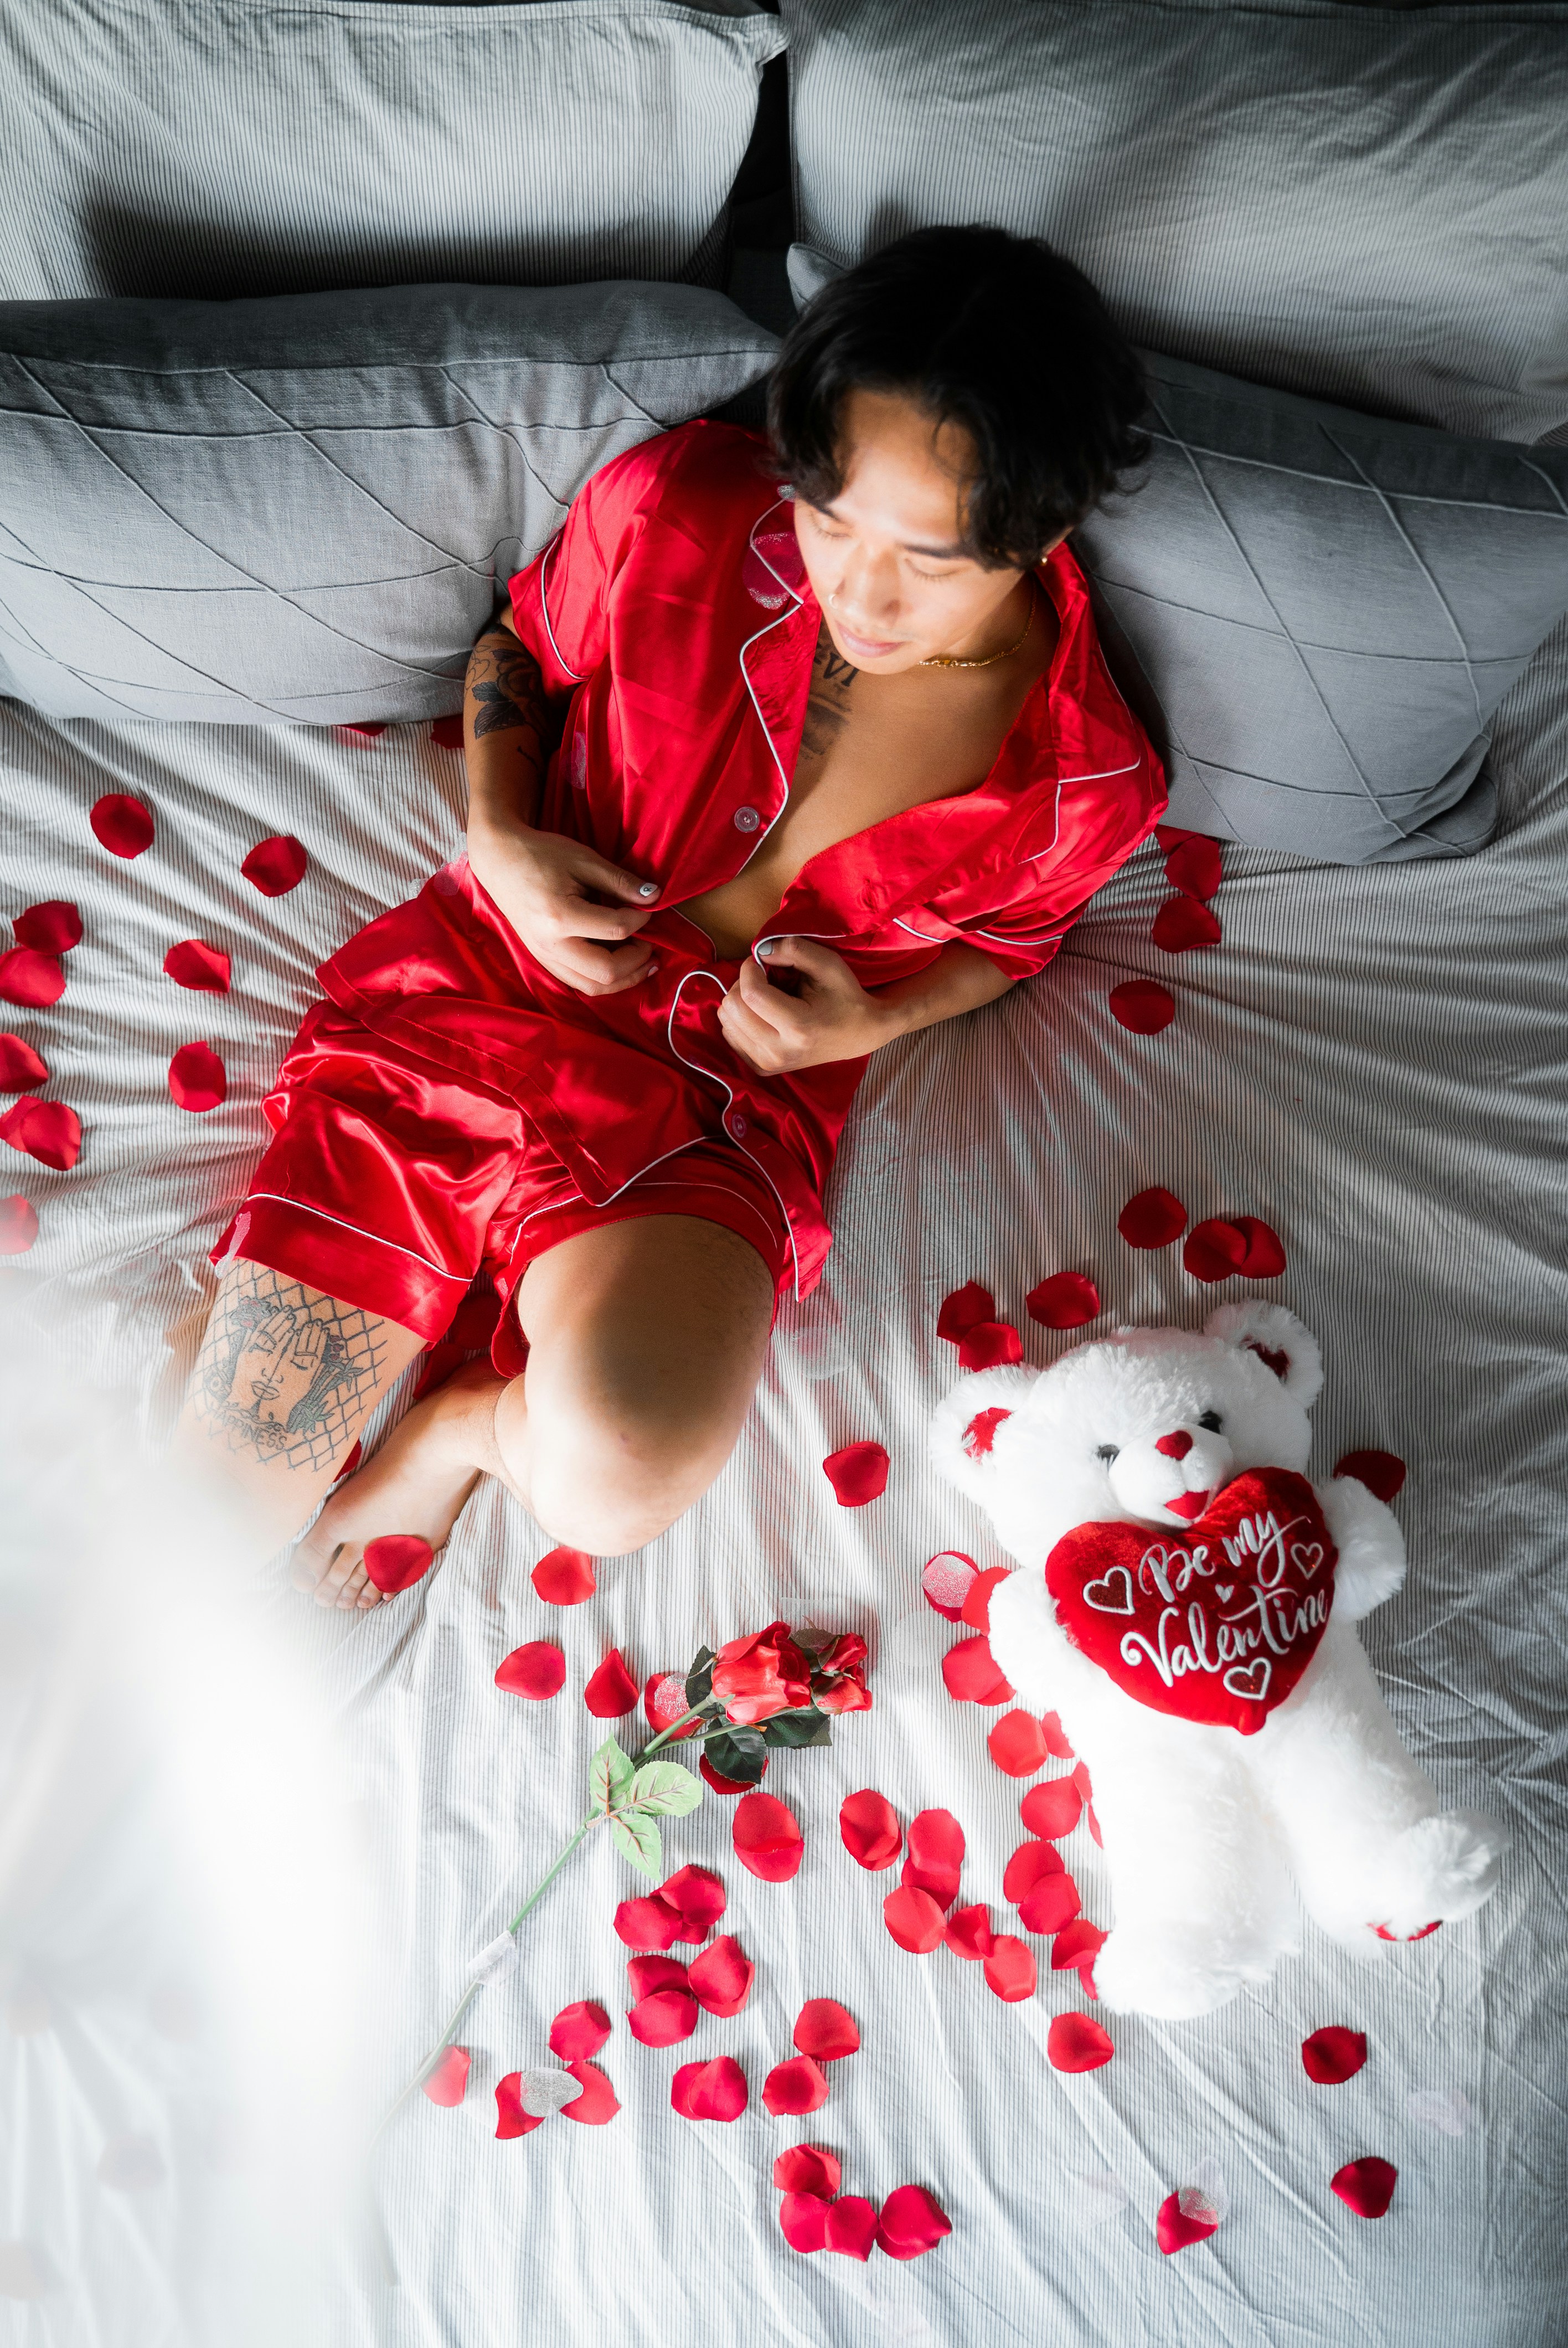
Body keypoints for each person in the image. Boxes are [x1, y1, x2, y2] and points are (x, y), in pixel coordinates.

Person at [176, 225, 1165, 1606]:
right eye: (833, 519)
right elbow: (522, 645)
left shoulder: (1086, 777)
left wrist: (875, 1016)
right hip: (478, 1006)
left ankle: (468, 1420)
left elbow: (1009, 944)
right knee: (216, 1508)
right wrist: (503, 838)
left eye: (928, 560)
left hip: (716, 1116)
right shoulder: (681, 505)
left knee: (617, 1473)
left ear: (1042, 527)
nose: (862, 595)